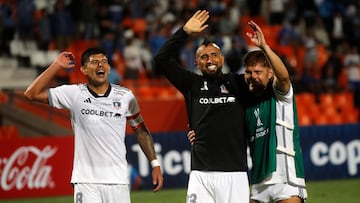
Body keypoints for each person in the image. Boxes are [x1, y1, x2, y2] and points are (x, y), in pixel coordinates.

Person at [188, 20, 308, 203]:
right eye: (249, 72)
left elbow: (283, 77)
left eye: (258, 72)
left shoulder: (280, 96)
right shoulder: (246, 103)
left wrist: (265, 47)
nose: (253, 77)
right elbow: (227, 127)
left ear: (270, 73)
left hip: (285, 178)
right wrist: (198, 132)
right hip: (258, 182)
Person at [24, 47, 163, 203]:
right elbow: (31, 93)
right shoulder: (74, 93)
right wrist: (56, 65)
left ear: (109, 68)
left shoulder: (125, 96)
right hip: (86, 181)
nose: (100, 65)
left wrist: (155, 163)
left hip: (118, 180)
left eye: (104, 62)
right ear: (83, 69)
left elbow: (140, 130)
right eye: (94, 62)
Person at [153, 10, 250, 203]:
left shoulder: (239, 83)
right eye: (204, 57)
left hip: (235, 173)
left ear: (222, 59)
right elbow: (161, 60)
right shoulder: (192, 84)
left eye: (214, 55)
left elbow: (271, 79)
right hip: (201, 174)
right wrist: (185, 31)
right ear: (196, 63)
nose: (210, 60)